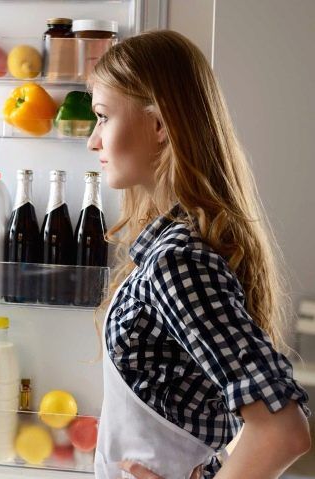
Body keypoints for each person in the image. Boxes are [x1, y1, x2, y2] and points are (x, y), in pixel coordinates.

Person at [87, 30, 311, 478]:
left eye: (103, 117)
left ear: (159, 125)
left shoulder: (177, 261)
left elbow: (282, 430)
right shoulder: (169, 248)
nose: (93, 141)